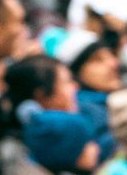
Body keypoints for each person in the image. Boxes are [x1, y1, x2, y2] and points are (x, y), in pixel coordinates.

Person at [50, 28, 119, 158]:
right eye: (98, 60)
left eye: (111, 55)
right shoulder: (85, 110)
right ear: (75, 74)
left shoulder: (104, 103)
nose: (113, 63)